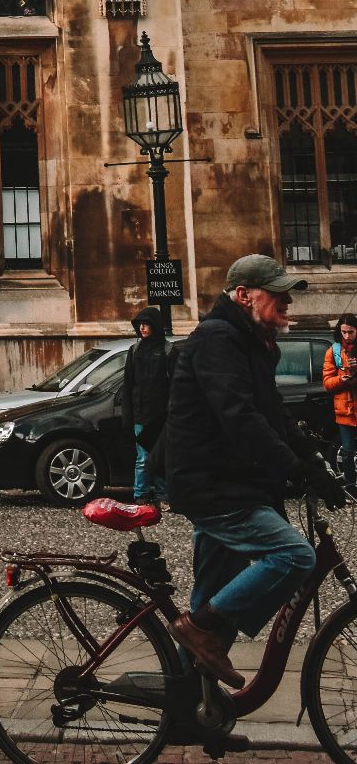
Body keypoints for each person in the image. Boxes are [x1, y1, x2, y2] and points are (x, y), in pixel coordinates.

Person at [163, 253, 342, 689]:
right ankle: (198, 629)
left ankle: (190, 706)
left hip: (230, 483)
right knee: (294, 556)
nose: (287, 303)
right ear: (244, 295)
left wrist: (313, 462)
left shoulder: (253, 343)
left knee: (209, 595)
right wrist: (295, 471)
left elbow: (275, 414)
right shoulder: (217, 338)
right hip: (214, 486)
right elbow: (239, 417)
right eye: (277, 294)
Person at [122, 304, 173, 503]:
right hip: (141, 414)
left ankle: (163, 494)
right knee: (143, 458)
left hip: (161, 415)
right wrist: (129, 415)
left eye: (146, 324)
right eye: (140, 324)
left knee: (161, 457)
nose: (142, 328)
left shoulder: (168, 350)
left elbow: (173, 384)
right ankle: (140, 496)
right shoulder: (134, 351)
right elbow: (128, 385)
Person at [322, 312, 357, 499]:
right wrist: (343, 379)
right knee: (348, 452)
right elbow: (327, 383)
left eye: (350, 332)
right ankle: (351, 489)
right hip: (346, 409)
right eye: (343, 332)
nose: (347, 336)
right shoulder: (334, 352)